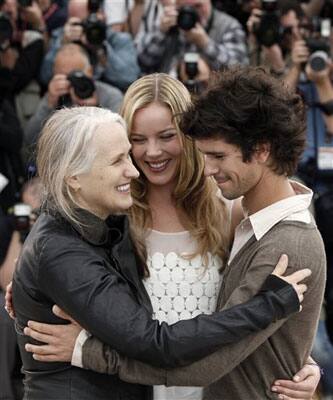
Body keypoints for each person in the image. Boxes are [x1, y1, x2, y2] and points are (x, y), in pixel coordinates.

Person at [20, 74, 319, 400]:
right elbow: (71, 272)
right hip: (138, 386)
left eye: (166, 136)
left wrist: (300, 358)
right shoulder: (115, 214)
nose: (151, 152)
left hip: (208, 385)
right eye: (136, 140)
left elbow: (254, 310)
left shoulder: (228, 211)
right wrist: (33, 290)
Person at [25, 43, 123, 148]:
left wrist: (94, 110)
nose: (71, 83)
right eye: (64, 77)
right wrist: (49, 105)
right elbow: (30, 139)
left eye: (76, 76)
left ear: (89, 71)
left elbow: (119, 141)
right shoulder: (55, 95)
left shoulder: (110, 95)